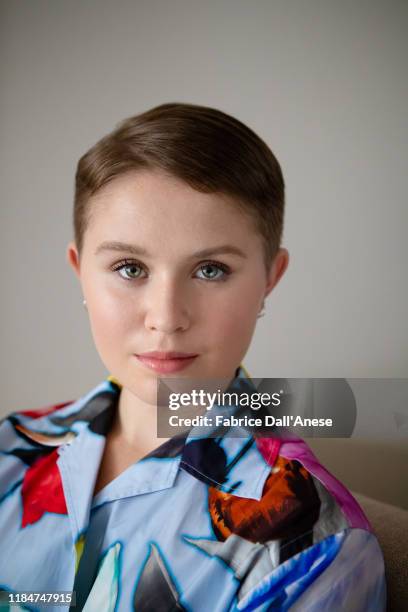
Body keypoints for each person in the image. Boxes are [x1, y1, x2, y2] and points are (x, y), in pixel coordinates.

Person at [0, 103, 386, 611]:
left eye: (210, 270)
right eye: (130, 267)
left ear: (270, 277)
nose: (166, 317)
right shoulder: (9, 446)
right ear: (80, 273)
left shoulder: (308, 544)